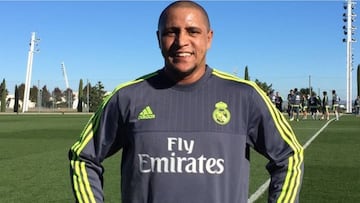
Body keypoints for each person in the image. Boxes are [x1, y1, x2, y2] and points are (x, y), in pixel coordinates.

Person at [68, 1, 304, 203]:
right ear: (158, 38)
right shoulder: (127, 96)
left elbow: (289, 156)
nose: (182, 41)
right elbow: (83, 157)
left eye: (193, 31)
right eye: (171, 31)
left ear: (209, 38)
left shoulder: (245, 95)